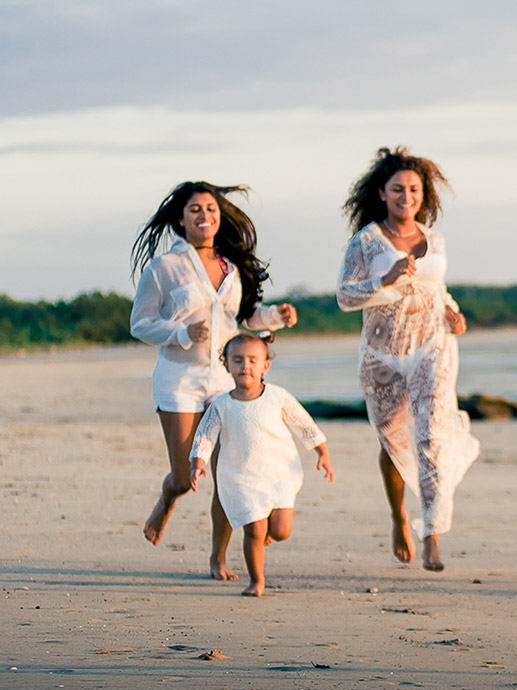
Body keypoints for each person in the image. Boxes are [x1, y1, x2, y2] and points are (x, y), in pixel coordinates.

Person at [129, 181, 297, 580]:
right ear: (180, 220)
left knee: (228, 478)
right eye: (195, 210)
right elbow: (140, 323)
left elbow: (241, 320)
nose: (204, 216)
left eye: (211, 209)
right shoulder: (164, 269)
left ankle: (217, 558)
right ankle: (167, 498)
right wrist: (180, 334)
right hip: (179, 381)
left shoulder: (231, 269)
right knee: (187, 477)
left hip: (224, 382)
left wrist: (275, 318)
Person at [337, 146, 479, 572]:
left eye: (414, 189)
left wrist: (452, 310)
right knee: (394, 442)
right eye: (398, 189)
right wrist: (386, 278)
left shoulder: (434, 239)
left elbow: (437, 288)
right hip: (382, 355)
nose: (406, 196)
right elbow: (345, 296)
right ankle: (399, 514)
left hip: (432, 346)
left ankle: (432, 532)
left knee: (430, 437)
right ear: (382, 192)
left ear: (423, 193)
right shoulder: (365, 241)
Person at [189, 333, 334, 596]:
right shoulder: (221, 404)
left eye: (253, 360)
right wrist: (198, 463)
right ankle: (257, 580)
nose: (245, 366)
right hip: (241, 477)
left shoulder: (277, 397)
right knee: (254, 531)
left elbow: (303, 424)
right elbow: (205, 436)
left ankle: (265, 530)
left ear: (265, 365)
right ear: (226, 366)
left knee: (281, 531)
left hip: (278, 474)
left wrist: (321, 452)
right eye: (238, 360)